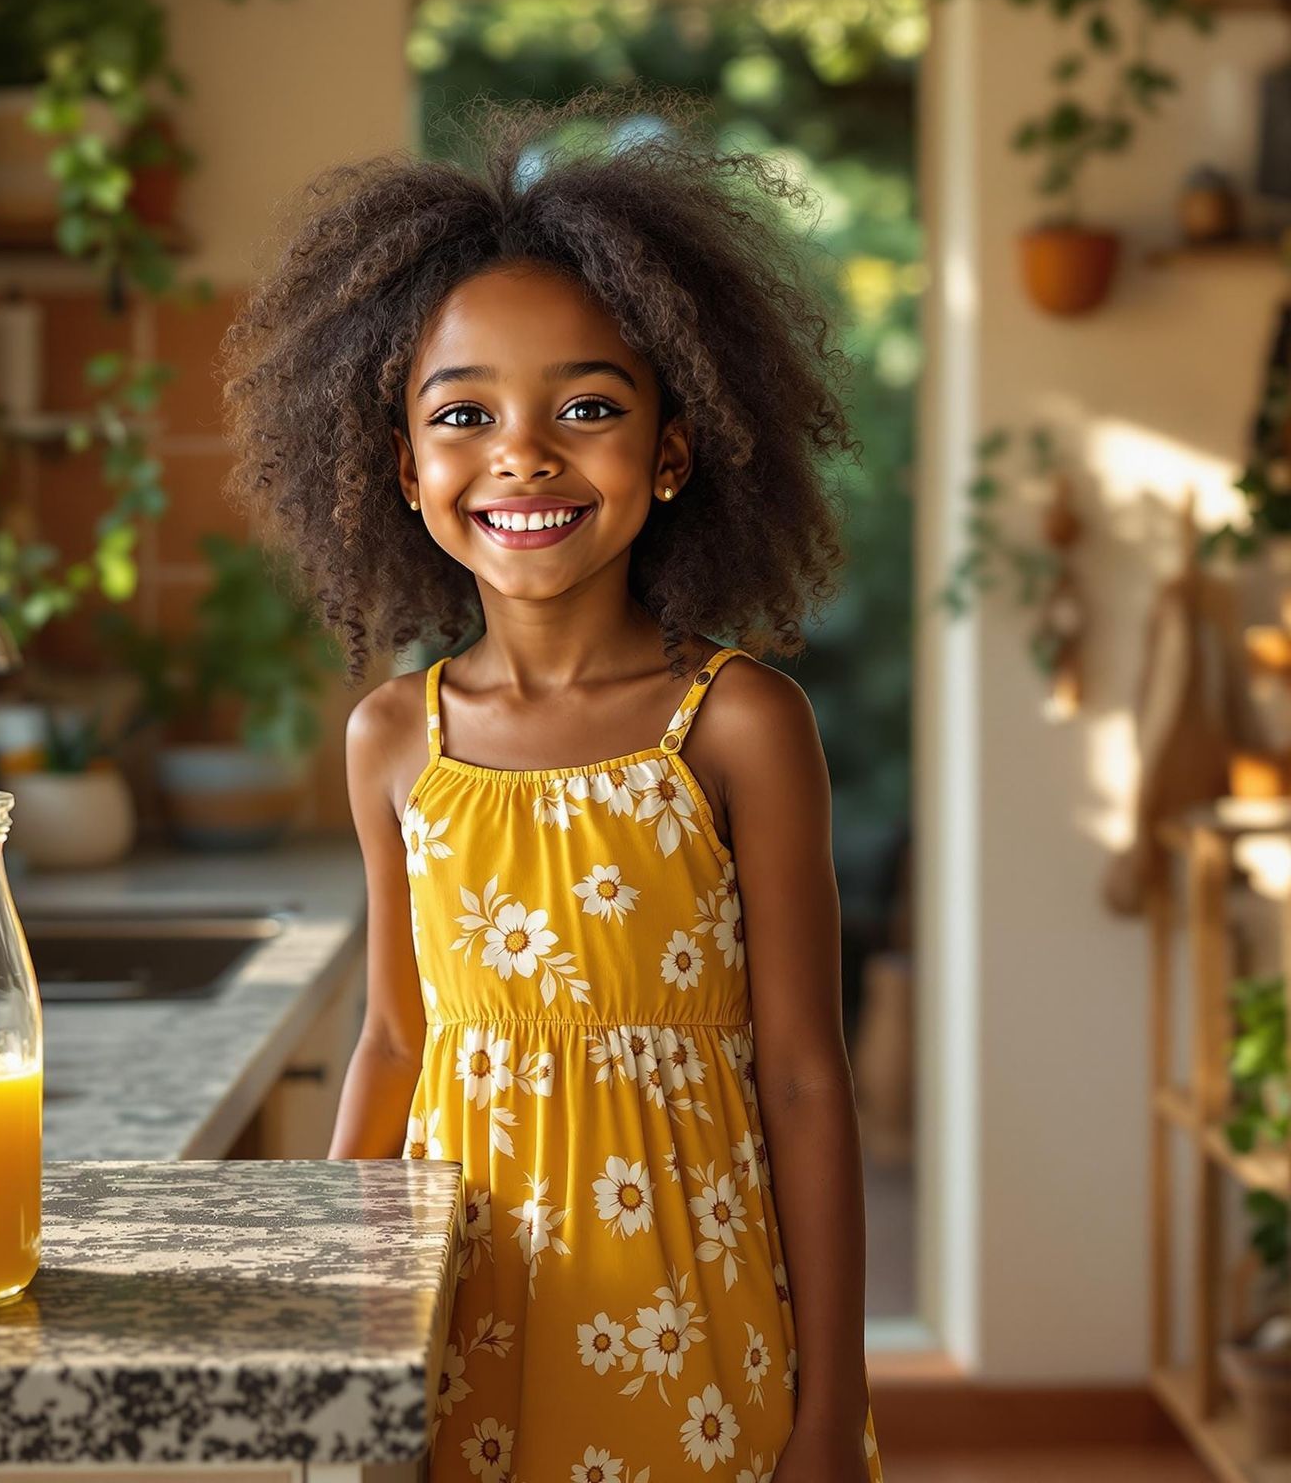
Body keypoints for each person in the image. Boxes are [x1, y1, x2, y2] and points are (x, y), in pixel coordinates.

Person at [220, 83, 884, 1483]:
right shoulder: (396, 739)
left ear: (673, 450)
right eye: (465, 414)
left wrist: (831, 1414)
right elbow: (397, 1046)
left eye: (588, 405)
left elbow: (809, 1084)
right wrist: (334, 1342)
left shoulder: (739, 724)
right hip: (460, 1315)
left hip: (693, 1330)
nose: (522, 452)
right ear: (399, 470)